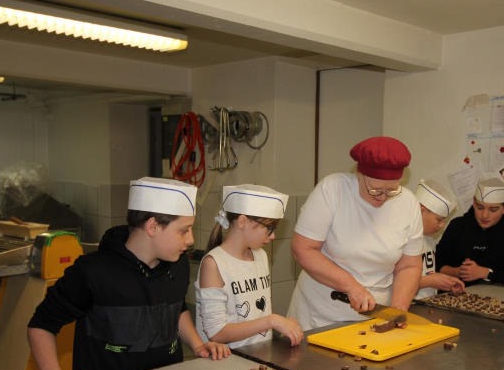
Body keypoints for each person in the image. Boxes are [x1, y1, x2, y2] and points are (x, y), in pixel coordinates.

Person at [27, 177, 231, 370]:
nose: (191, 240)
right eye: (184, 231)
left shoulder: (178, 265)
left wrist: (198, 345)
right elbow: (41, 325)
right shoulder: (94, 272)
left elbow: (176, 307)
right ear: (152, 226)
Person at [287, 136, 424, 330]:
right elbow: (303, 249)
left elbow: (409, 266)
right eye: (375, 190)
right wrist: (351, 286)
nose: (383, 197)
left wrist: (398, 308)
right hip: (320, 315)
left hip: (376, 317)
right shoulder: (333, 190)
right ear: (359, 173)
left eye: (391, 190)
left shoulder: (408, 203)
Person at [195, 184, 303, 348]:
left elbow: (258, 314)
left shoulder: (261, 256)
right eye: (269, 228)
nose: (273, 236)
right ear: (243, 221)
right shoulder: (214, 263)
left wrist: (284, 324)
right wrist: (271, 321)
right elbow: (217, 333)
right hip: (225, 363)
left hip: (258, 355)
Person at [435, 177, 504, 285]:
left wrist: (485, 273)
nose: (484, 215)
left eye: (493, 210)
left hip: (495, 297)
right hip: (454, 294)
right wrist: (459, 272)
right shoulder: (457, 226)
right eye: (480, 207)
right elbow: (437, 264)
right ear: (474, 203)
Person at [414, 179, 465, 299]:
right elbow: (394, 283)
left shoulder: (428, 238)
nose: (442, 225)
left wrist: (446, 281)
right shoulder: (402, 238)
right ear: (421, 211)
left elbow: (427, 274)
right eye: (439, 220)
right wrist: (431, 281)